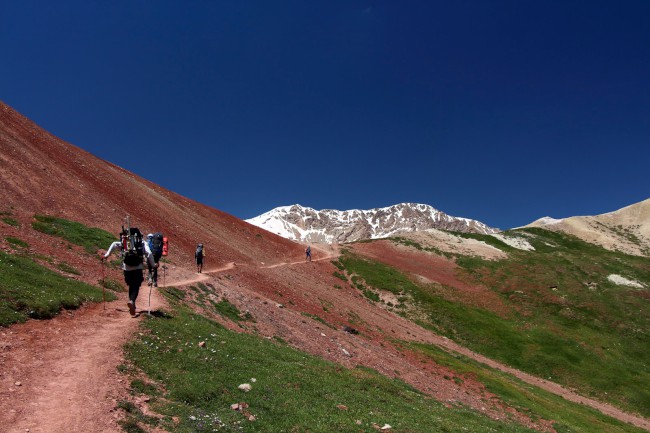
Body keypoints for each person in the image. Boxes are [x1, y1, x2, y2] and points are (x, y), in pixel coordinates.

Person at [102, 229, 156, 317]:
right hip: (137, 267)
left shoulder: (125, 241)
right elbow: (149, 254)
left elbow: (114, 244)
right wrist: (153, 265)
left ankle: (132, 303)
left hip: (126, 267)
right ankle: (132, 301)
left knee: (131, 285)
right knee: (136, 285)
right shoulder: (142, 242)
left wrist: (106, 255)